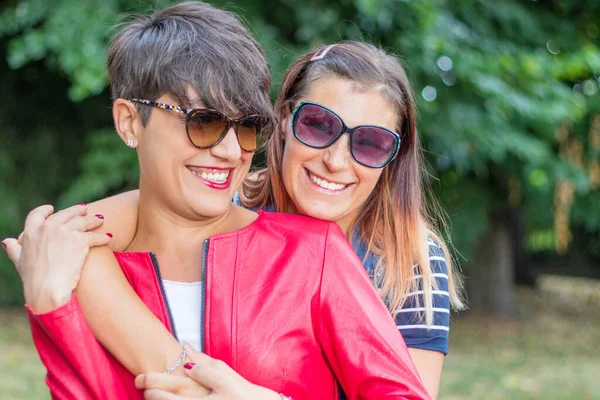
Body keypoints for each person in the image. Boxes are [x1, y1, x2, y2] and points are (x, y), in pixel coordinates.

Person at [2, 2, 430, 400]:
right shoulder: (78, 264)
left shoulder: (314, 254)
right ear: (129, 122)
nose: (230, 152)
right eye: (203, 122)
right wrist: (51, 305)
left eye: (246, 127)